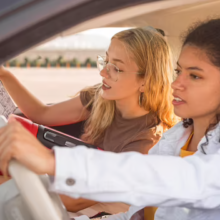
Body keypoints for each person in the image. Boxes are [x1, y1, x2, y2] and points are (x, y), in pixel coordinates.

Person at [0, 27, 176, 215]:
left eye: (116, 68)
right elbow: (41, 114)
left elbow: (74, 201)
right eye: (105, 61)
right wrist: (4, 74)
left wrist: (21, 175)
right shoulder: (101, 97)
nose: (103, 73)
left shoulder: (146, 142)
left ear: (146, 81)